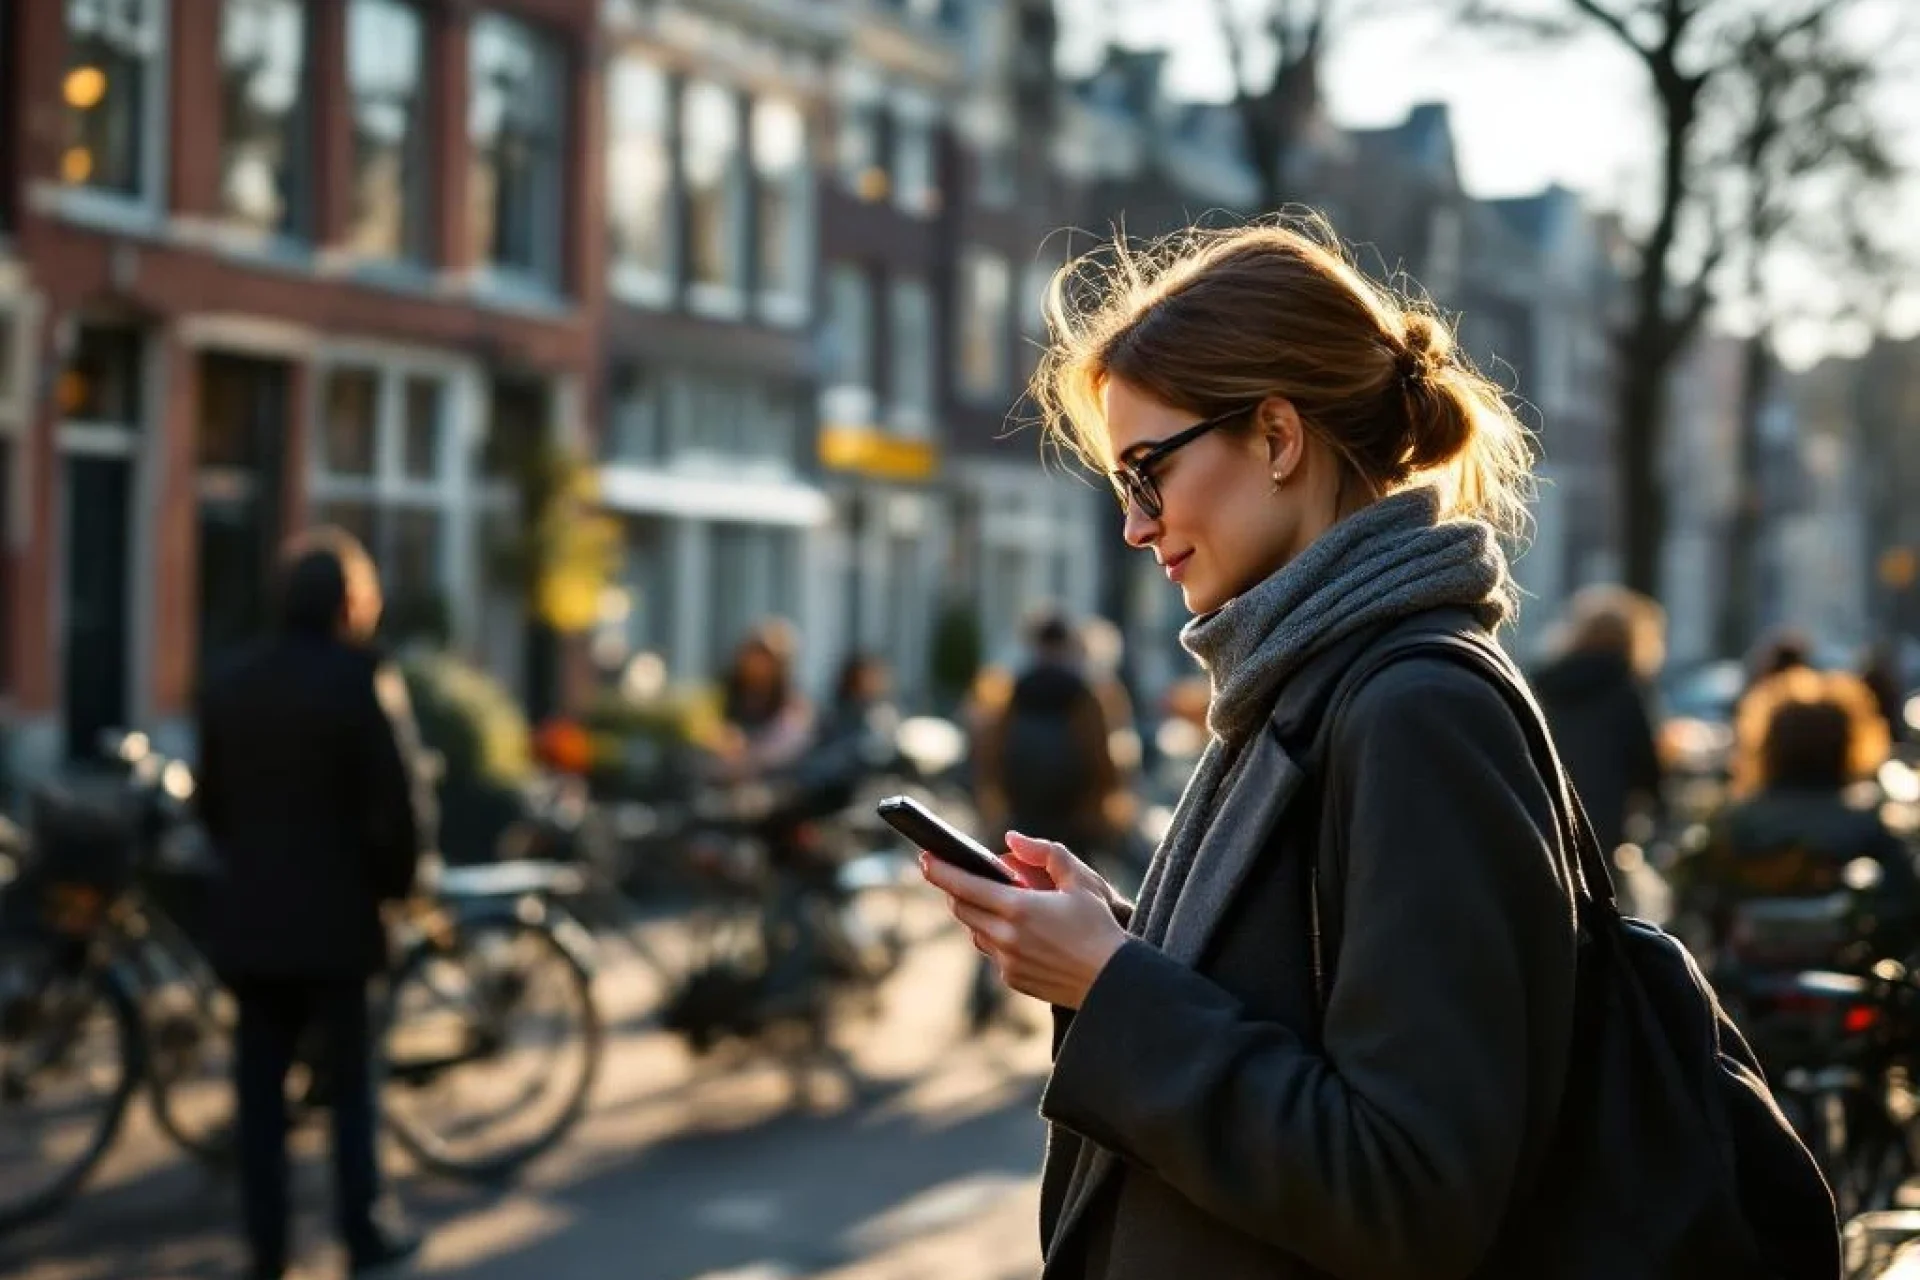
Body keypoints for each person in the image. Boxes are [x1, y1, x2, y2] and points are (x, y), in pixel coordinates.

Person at [919, 220, 1581, 1278]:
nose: (1137, 526)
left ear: (1277, 436)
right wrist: (1124, 944)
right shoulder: (1304, 680)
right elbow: (1303, 1012)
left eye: (1148, 473)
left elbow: (1411, 1189)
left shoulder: (1417, 711)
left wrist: (1115, 987)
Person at [197, 529, 432, 1280]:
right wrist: (396, 891)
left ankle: (267, 1250)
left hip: (255, 920)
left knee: (260, 1096)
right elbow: (401, 808)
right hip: (339, 921)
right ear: (350, 605)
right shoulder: (361, 680)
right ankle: (361, 1230)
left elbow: (212, 804)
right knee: (352, 1086)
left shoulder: (232, 680)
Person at [1673, 665, 1917, 969]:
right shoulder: (1867, 821)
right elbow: (1903, 903)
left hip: (1748, 979)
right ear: (1848, 741)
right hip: (1842, 972)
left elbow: (1696, 900)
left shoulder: (1737, 819)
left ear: (1768, 741)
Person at [1530, 585, 1666, 858]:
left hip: (1544, 815)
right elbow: (1644, 764)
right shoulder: (1624, 690)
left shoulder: (1545, 684)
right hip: (1601, 822)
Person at [973, 608, 1119, 857]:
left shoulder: (1011, 692)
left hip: (1022, 820)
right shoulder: (1084, 696)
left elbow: (989, 756)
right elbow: (1101, 760)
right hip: (1071, 825)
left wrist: (997, 809)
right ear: (1067, 644)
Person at [711, 618, 815, 784]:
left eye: (766, 658)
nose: (757, 665)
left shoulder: (794, 705)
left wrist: (749, 753)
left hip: (771, 781)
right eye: (753, 654)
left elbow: (789, 747)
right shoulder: (725, 692)